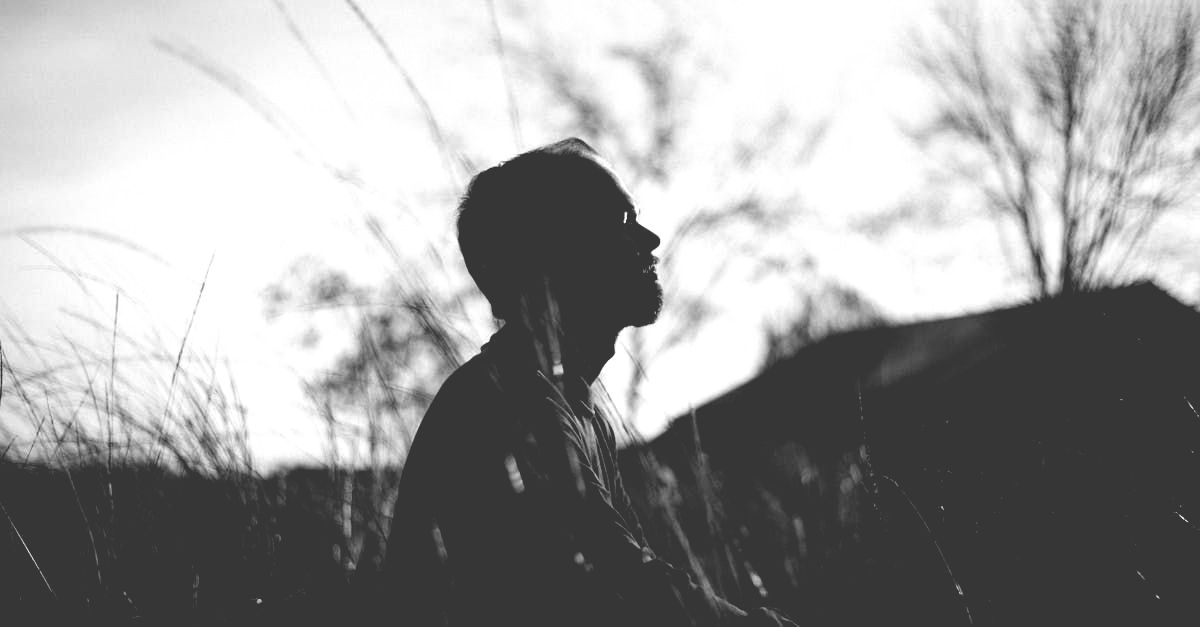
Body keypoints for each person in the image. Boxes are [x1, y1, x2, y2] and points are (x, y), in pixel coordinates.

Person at [381, 138, 796, 626]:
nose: (650, 240)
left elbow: (628, 569)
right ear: (557, 251)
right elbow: (620, 582)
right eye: (623, 221)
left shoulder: (576, 404)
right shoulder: (512, 403)